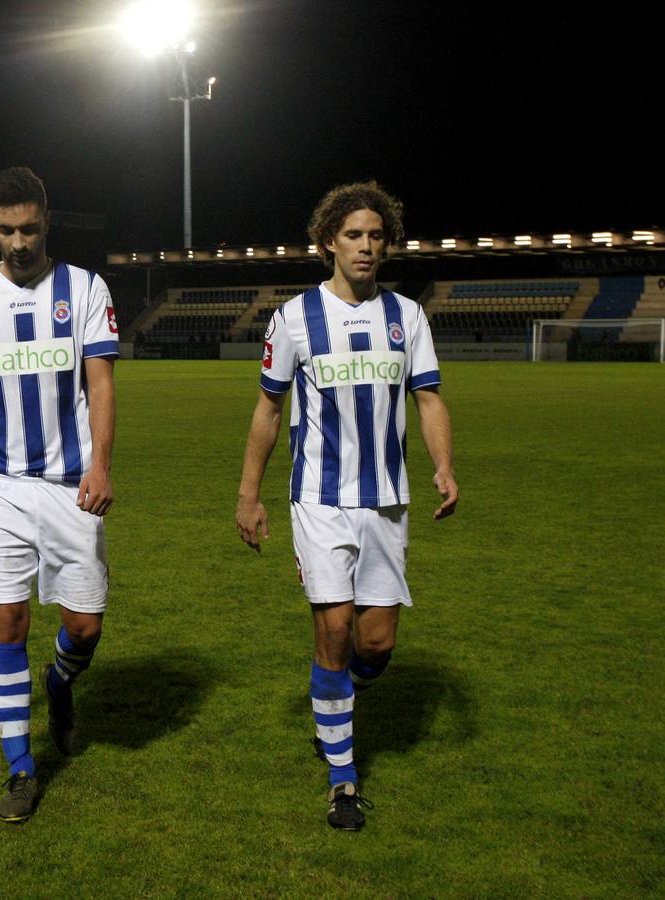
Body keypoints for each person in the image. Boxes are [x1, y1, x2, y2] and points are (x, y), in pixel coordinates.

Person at [235, 181, 458, 831]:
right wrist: (249, 496)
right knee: (333, 629)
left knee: (377, 644)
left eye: (376, 236)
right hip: (320, 500)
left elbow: (430, 400)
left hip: (387, 500)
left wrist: (443, 464)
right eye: (354, 235)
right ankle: (342, 780)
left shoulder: (407, 317)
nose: (366, 246)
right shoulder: (295, 318)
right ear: (329, 241)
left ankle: (333, 703)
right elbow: (268, 411)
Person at [0, 167, 120, 824]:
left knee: (83, 628)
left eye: (29, 228)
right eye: (6, 230)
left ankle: (60, 683)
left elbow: (101, 383)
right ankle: (20, 768)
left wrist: (102, 467)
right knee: (7, 623)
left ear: (47, 221)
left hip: (71, 486)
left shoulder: (85, 289)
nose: (18, 242)